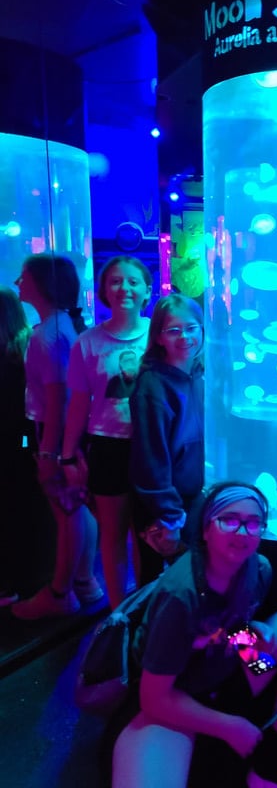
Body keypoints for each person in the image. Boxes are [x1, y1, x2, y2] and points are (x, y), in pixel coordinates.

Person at [112, 481, 277, 788]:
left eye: (253, 523)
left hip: (222, 672)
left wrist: (254, 643)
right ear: (205, 528)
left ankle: (271, 762)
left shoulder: (258, 569)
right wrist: (230, 727)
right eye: (229, 520)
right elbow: (153, 697)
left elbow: (231, 626)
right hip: (175, 696)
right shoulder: (181, 596)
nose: (243, 532)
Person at [11, 254, 101, 620]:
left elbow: (59, 396)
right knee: (75, 508)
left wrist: (49, 454)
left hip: (56, 435)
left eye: (24, 277)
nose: (18, 283)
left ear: (42, 285)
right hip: (62, 435)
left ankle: (60, 593)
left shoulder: (49, 335)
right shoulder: (58, 327)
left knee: (66, 512)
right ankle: (85, 583)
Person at [60, 256, 153, 608]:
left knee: (149, 536)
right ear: (103, 290)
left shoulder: (159, 336)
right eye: (115, 281)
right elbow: (79, 404)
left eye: (132, 281)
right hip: (107, 446)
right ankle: (118, 615)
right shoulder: (87, 343)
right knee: (112, 536)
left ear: (146, 290)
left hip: (152, 447)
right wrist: (67, 455)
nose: (124, 288)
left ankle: (145, 610)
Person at [129, 293, 205, 584]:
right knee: (157, 586)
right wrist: (169, 515)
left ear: (201, 329)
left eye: (191, 328)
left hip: (195, 498)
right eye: (173, 330)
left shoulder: (203, 375)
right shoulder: (152, 387)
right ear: (158, 337)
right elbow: (150, 459)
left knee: (191, 583)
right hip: (161, 506)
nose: (184, 336)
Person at [0, 287, 32, 605]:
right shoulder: (26, 343)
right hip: (22, 437)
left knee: (8, 510)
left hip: (13, 439)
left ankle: (10, 583)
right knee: (18, 507)